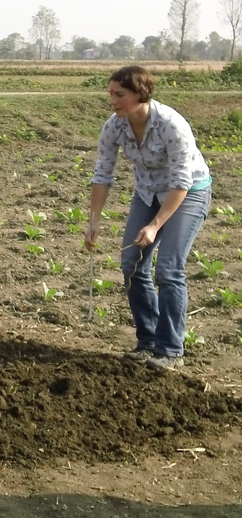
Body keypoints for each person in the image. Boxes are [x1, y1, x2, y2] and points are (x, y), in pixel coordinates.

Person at [84, 65, 212, 371]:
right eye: (111, 94)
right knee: (132, 265)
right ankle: (148, 342)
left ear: (141, 94)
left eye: (121, 94)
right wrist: (93, 220)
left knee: (168, 269)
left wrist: (155, 225)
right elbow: (103, 172)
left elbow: (181, 182)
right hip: (147, 193)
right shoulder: (114, 126)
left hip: (188, 193)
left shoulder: (171, 125)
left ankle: (171, 350)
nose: (113, 100)